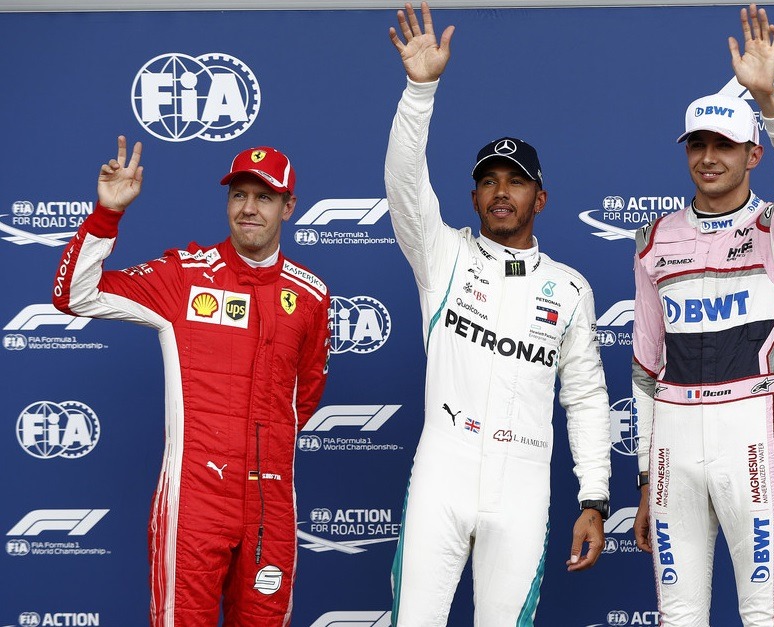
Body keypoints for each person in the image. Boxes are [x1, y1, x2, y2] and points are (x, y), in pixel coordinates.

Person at [384, 3, 612, 625]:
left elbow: (587, 398)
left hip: (523, 482)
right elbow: (404, 185)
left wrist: (594, 496)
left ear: (541, 197)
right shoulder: (443, 255)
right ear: (474, 196)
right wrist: (419, 92)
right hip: (444, 469)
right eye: (489, 181)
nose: (502, 191)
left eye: (516, 181)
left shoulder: (569, 288)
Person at [52, 137, 331, 626]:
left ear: (288, 207)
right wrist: (107, 214)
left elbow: (302, 399)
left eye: (264, 197)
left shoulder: (310, 294)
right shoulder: (185, 276)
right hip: (195, 504)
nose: (248, 208)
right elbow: (75, 296)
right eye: (239, 195)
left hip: (271, 508)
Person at [631, 4, 774, 626]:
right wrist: (645, 476)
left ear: (753, 155)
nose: (708, 157)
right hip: (672, 444)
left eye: (724, 145)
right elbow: (646, 368)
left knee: (763, 615)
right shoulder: (654, 239)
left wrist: (770, 102)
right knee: (678, 616)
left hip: (750, 439)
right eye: (698, 144)